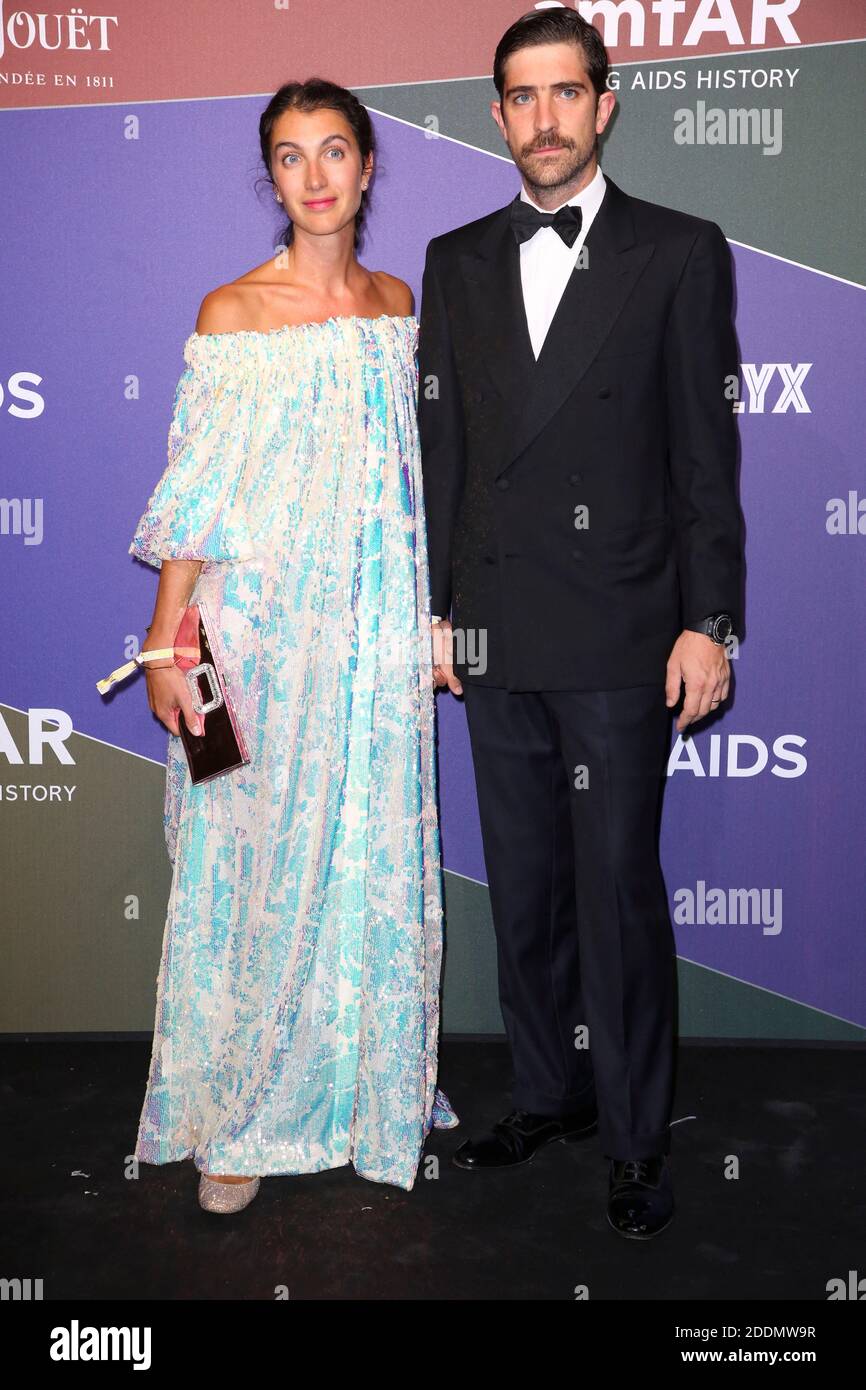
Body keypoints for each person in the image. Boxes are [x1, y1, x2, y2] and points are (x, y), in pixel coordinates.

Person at [417, 9, 744, 1239]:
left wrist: (707, 620)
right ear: (496, 112)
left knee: (614, 891)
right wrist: (438, 612)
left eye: (565, 93)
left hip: (618, 634)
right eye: (520, 95)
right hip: (495, 630)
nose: (543, 117)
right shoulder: (452, 261)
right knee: (525, 890)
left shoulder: (676, 250)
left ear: (603, 104)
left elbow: (705, 462)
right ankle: (546, 1093)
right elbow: (442, 454)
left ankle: (631, 1134)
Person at [122, 78, 457, 1214]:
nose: (313, 177)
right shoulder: (232, 312)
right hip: (250, 634)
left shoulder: (397, 306)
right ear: (269, 176)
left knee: (362, 850)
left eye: (332, 153)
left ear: (366, 167)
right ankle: (235, 1116)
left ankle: (363, 1088)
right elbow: (195, 495)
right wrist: (170, 642)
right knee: (246, 872)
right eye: (288, 156)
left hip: (367, 637)